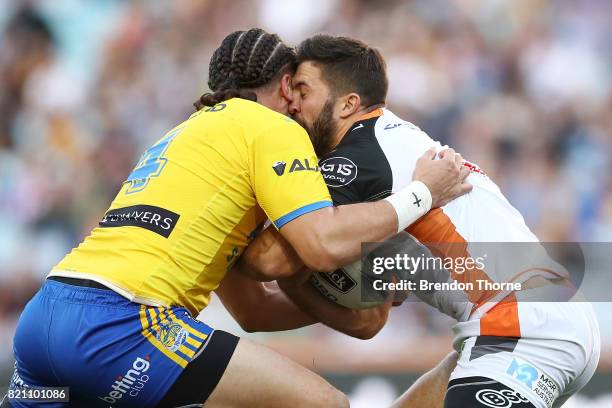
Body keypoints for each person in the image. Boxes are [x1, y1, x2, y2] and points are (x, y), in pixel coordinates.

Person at [3, 29, 471, 408]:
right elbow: (321, 245)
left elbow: (252, 309)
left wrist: (359, 309)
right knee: (325, 405)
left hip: (45, 320)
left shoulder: (182, 138)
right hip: (123, 324)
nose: (299, 109)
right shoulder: (271, 127)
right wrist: (424, 192)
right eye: (300, 91)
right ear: (286, 86)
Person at [243, 34, 601, 408]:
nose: (291, 104)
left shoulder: (360, 158)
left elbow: (268, 261)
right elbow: (373, 314)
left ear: (348, 104)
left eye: (303, 90)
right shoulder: (389, 144)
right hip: (534, 317)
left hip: (524, 328)